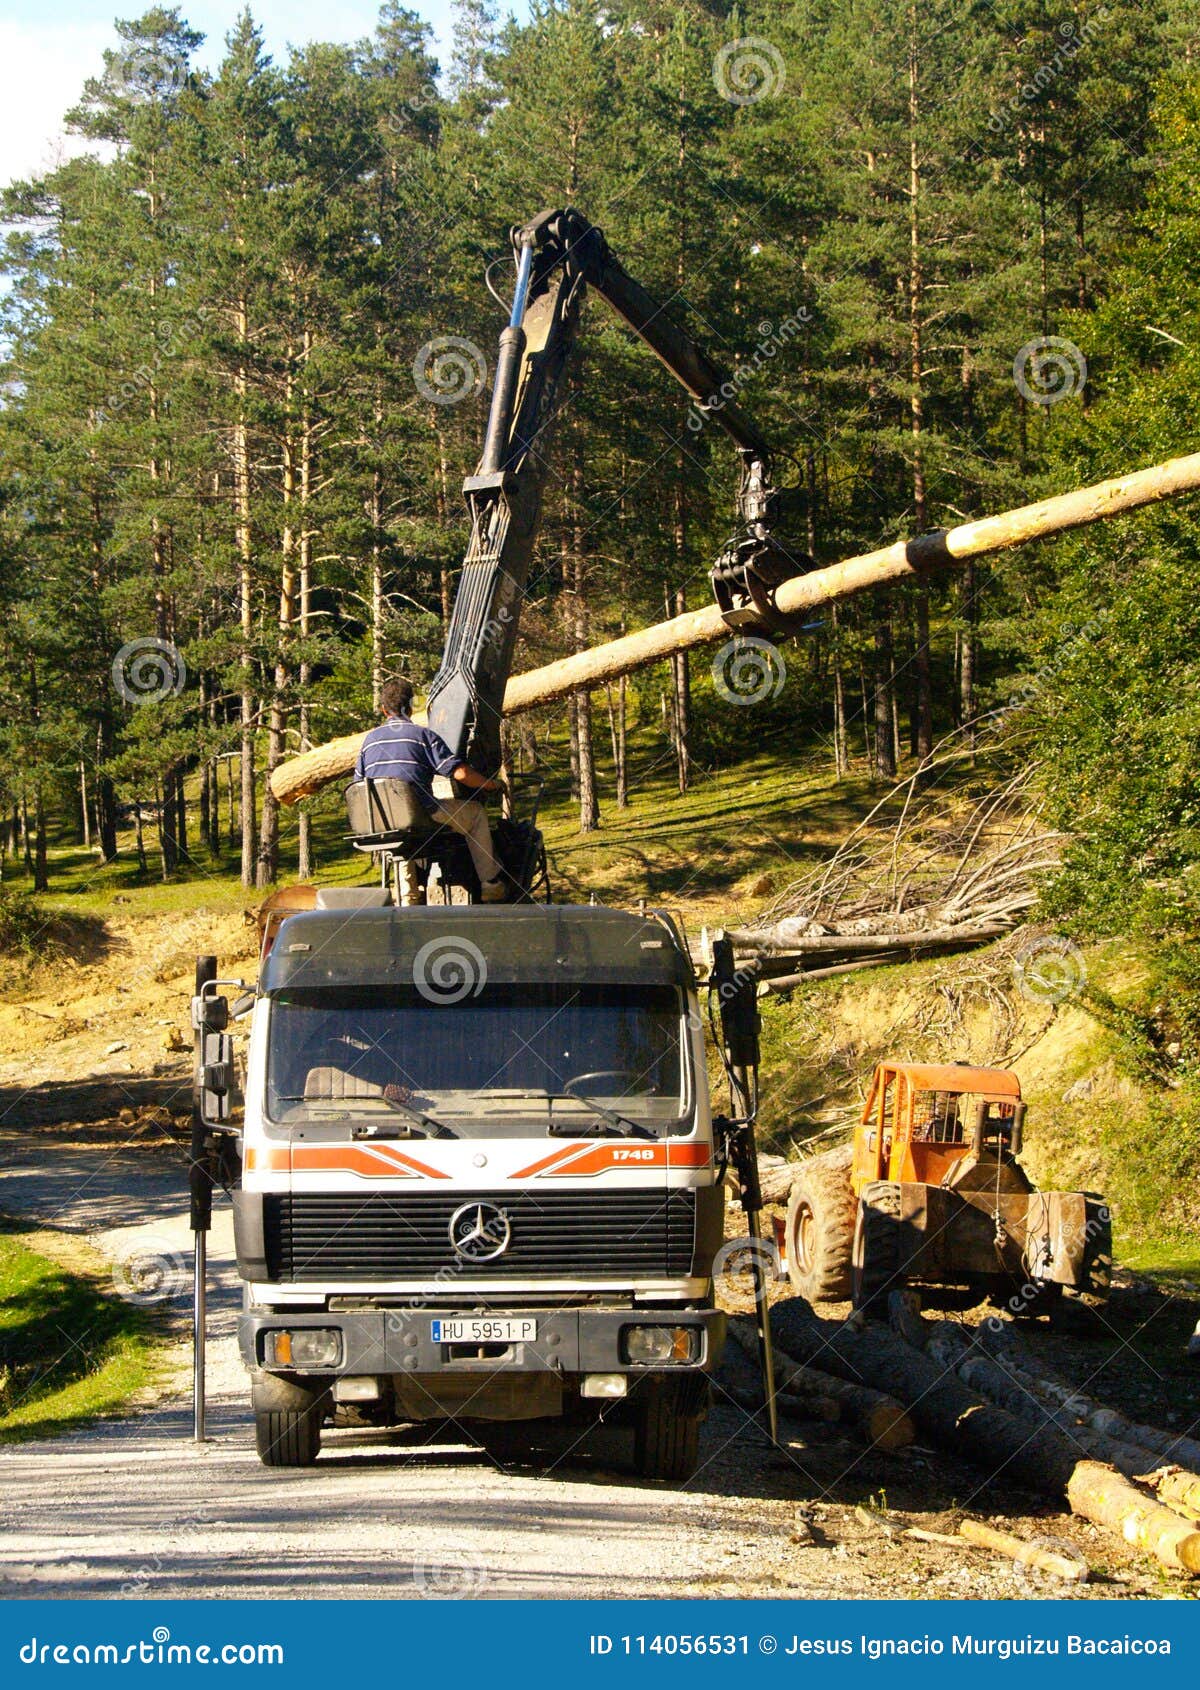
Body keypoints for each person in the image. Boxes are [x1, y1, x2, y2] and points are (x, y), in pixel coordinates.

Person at [355, 678, 508, 903]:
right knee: (475, 815)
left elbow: (359, 785)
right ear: (410, 707)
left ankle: (408, 897)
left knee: (399, 826)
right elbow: (460, 773)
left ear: (383, 710)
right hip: (421, 814)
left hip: (381, 822)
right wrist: (491, 784)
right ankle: (490, 884)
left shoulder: (368, 741)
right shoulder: (423, 736)